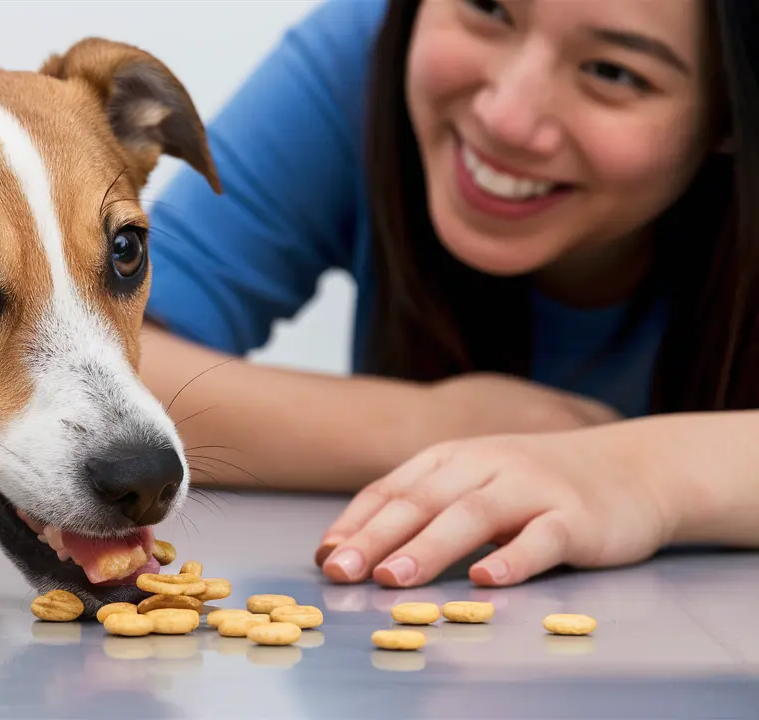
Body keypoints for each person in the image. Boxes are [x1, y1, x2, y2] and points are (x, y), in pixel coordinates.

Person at [137, 0, 758, 590]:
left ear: (732, 110)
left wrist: (639, 474)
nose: (506, 118)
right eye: (488, 7)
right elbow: (100, 353)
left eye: (612, 72)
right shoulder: (369, 52)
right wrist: (437, 425)